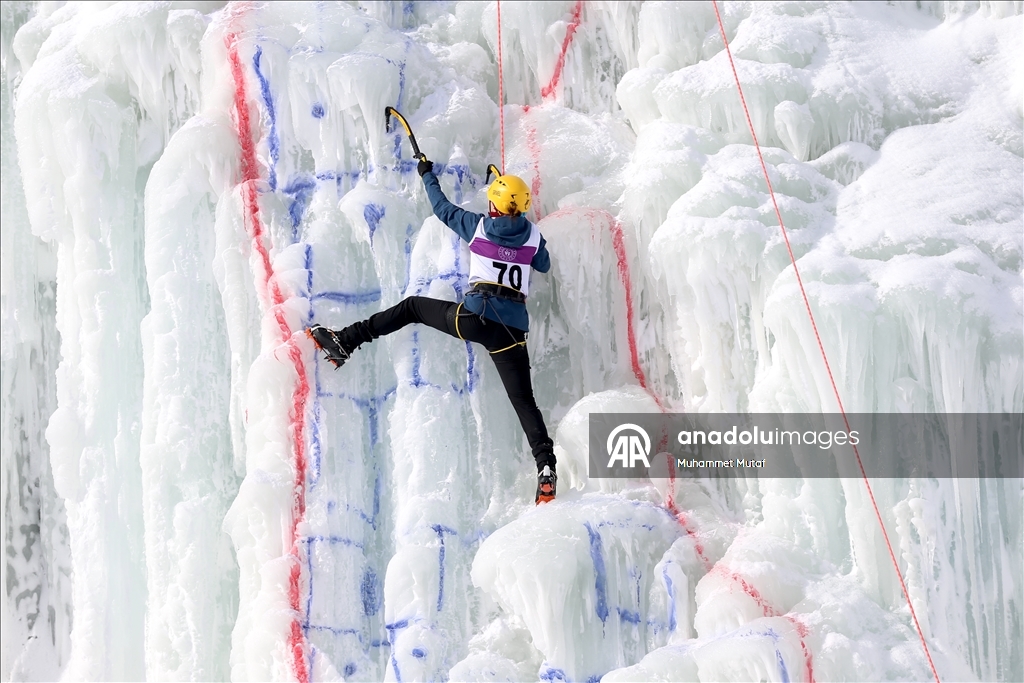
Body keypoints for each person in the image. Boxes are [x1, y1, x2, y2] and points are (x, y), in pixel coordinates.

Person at [307, 158, 557, 504]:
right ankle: (546, 467)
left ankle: (345, 341)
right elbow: (542, 263)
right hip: (512, 332)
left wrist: (427, 173)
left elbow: (441, 208)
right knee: (524, 401)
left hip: (476, 319)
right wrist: (524, 230)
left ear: (495, 208)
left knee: (412, 307)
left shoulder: (479, 226)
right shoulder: (532, 235)